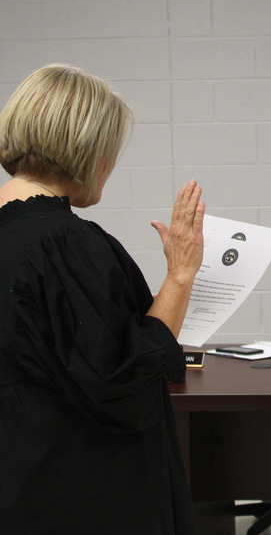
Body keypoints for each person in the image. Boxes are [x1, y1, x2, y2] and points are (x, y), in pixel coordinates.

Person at [0, 64, 205, 533]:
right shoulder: (63, 244)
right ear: (87, 148)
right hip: (74, 492)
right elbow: (120, 380)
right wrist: (181, 275)